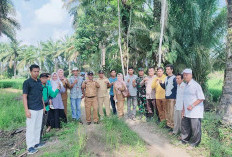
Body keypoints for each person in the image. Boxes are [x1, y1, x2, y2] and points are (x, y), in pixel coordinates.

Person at [23, 64, 44, 155]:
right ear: (31, 72)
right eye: (34, 71)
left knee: (38, 126)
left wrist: (43, 106)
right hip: (31, 108)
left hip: (39, 107)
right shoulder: (27, 82)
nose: (36, 73)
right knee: (31, 128)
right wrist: (26, 110)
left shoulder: (39, 81)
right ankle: (30, 147)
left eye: (38, 71)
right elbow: (24, 97)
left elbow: (41, 95)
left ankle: (36, 143)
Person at [181, 69, 205, 147]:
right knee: (185, 126)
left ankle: (195, 143)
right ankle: (184, 140)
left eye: (186, 75)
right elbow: (184, 99)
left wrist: (192, 105)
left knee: (195, 128)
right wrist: (183, 110)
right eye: (184, 75)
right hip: (186, 111)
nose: (185, 76)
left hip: (195, 111)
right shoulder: (185, 85)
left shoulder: (196, 85)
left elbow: (201, 98)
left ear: (191, 75)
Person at [40, 73, 60, 137]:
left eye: (46, 78)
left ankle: (48, 127)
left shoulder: (48, 87)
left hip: (47, 106)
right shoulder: (38, 87)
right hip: (39, 106)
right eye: (43, 78)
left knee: (47, 118)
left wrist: (57, 89)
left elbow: (53, 95)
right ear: (40, 79)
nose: (44, 79)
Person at [160, 64, 177, 129]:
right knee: (167, 112)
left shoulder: (174, 78)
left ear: (172, 70)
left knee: (172, 112)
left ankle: (172, 126)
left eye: (168, 69)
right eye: (166, 69)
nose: (167, 71)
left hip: (172, 98)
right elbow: (165, 87)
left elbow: (176, 88)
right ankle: (168, 124)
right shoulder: (166, 78)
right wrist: (161, 83)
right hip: (166, 97)